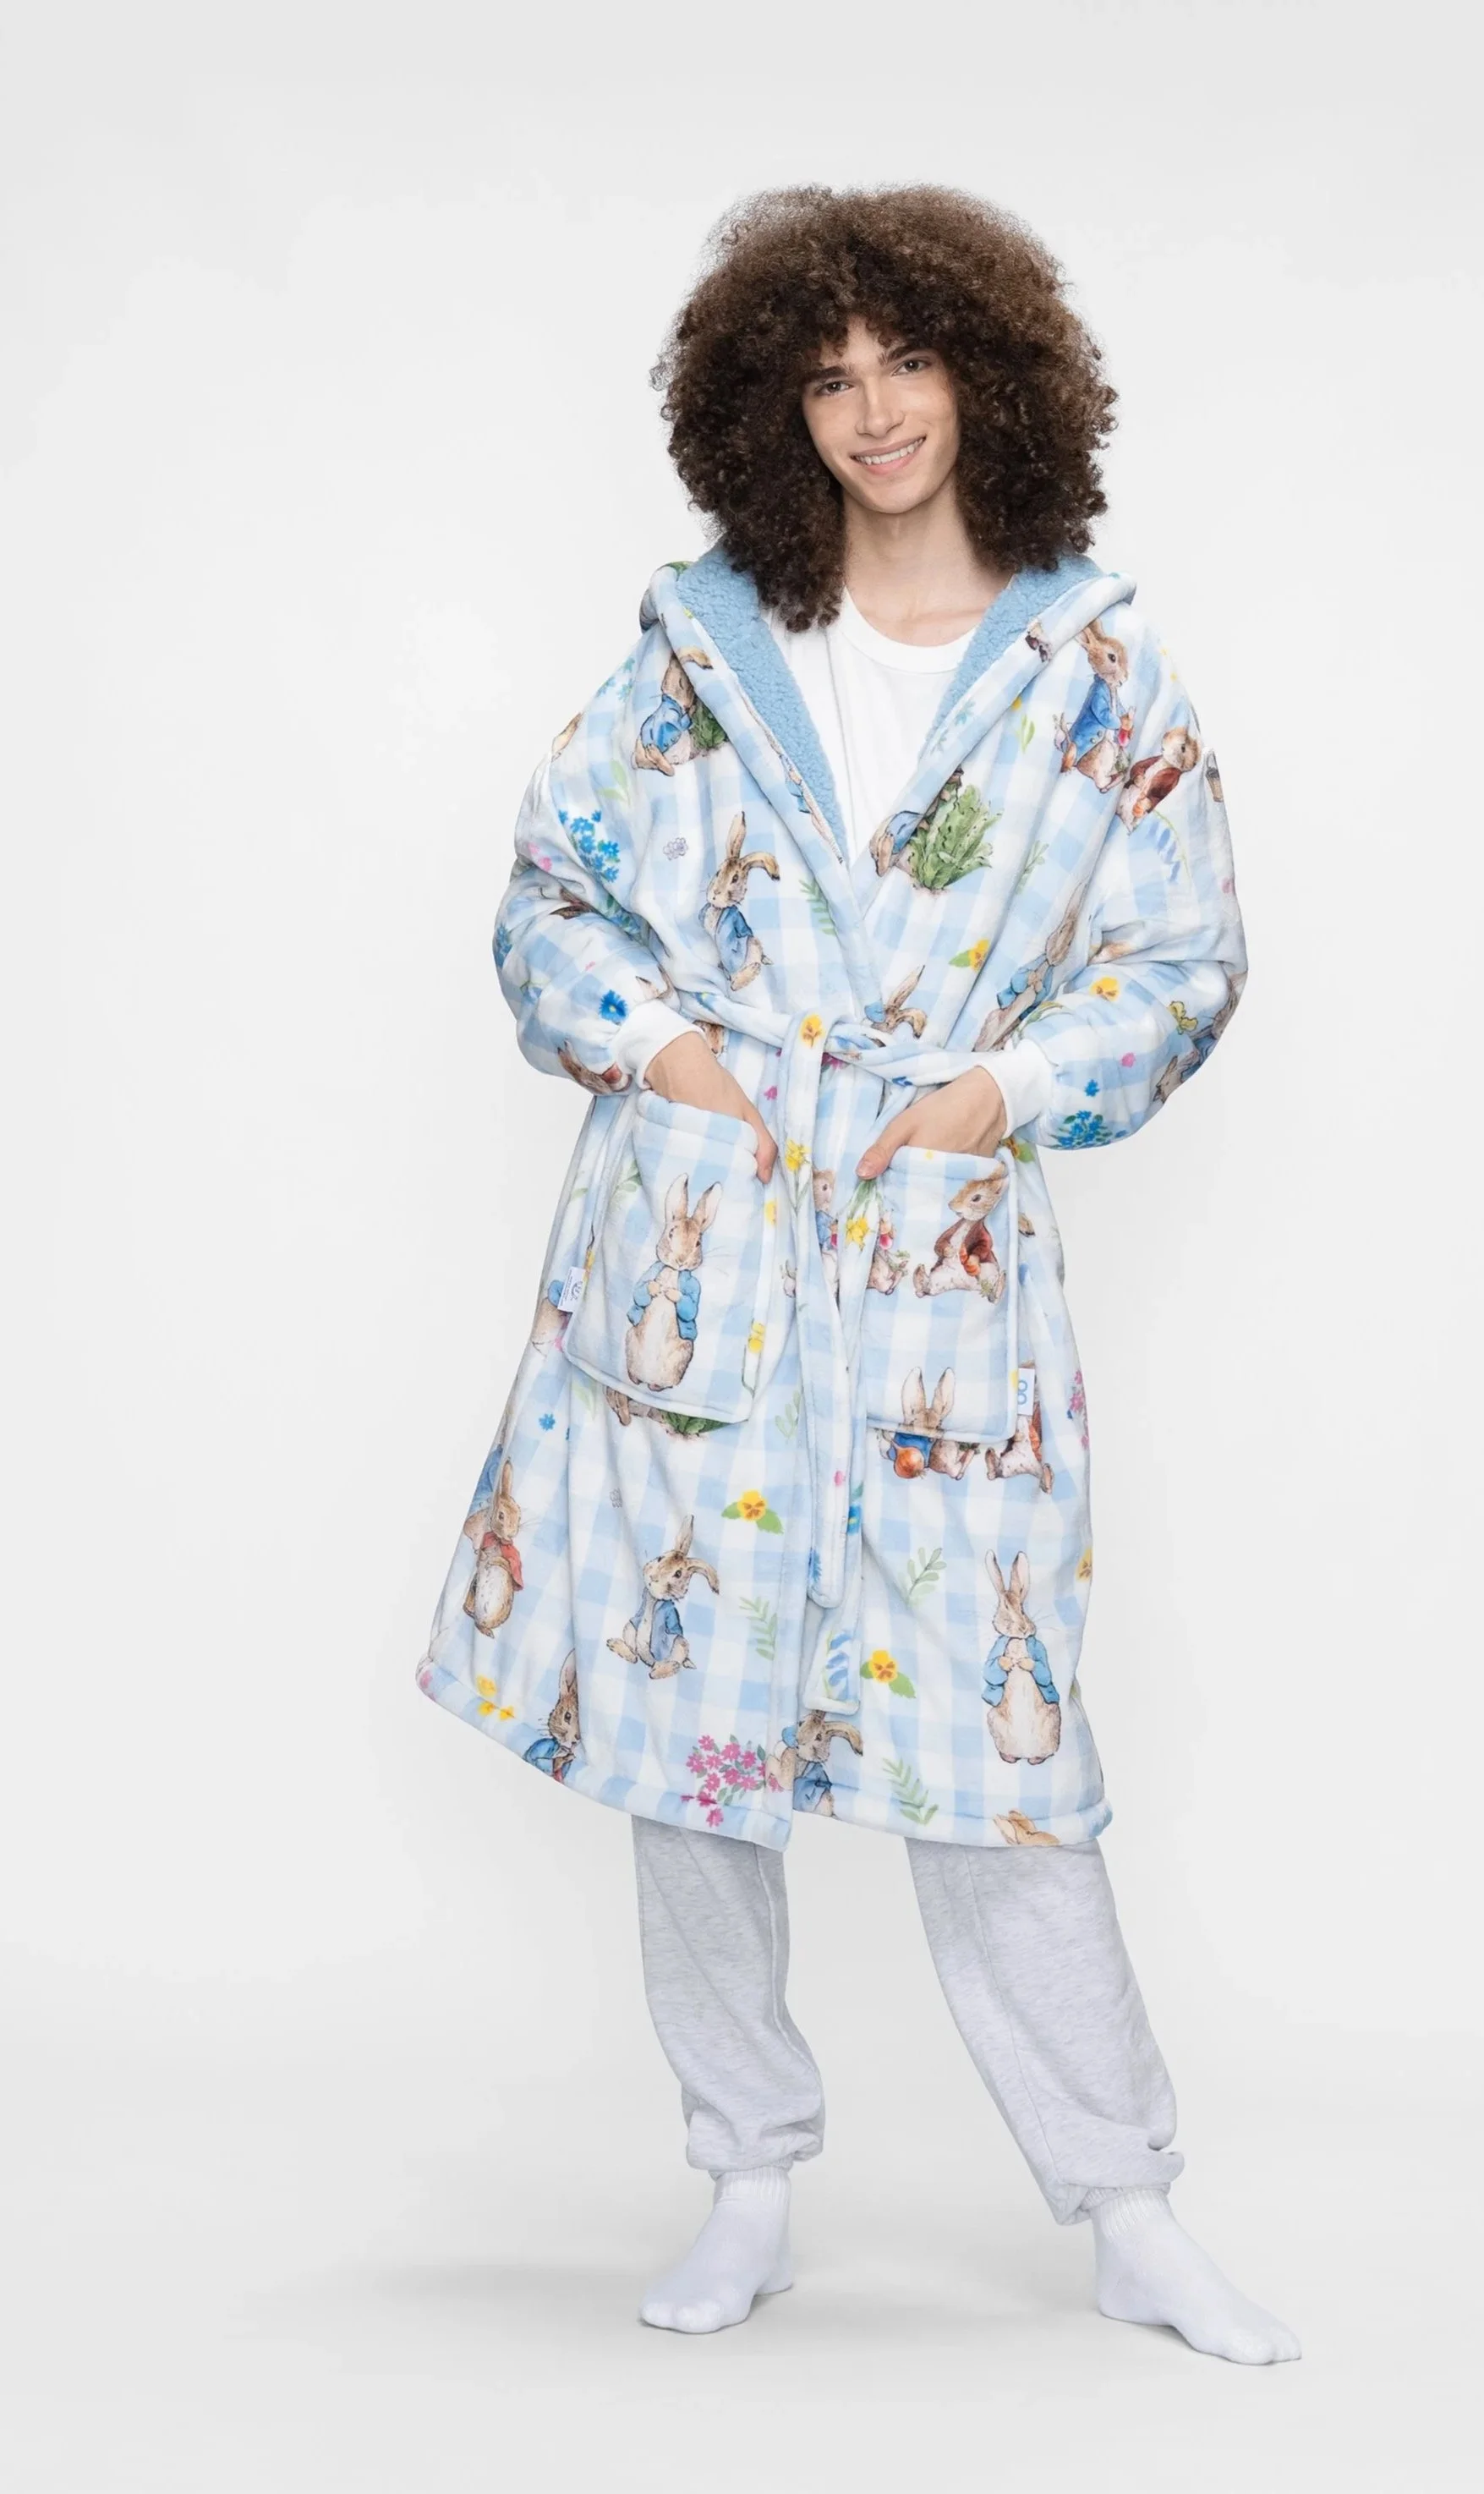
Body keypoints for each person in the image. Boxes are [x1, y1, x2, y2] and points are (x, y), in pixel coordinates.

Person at [418, 184, 1299, 2367]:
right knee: (688, 1748)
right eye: (826, 375)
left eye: (909, 359)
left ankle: (1125, 2202)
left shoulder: (1097, 676)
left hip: (932, 1278)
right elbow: (550, 899)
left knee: (997, 1753)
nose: (875, 409)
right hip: (702, 1260)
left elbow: (1184, 960)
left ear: (991, 373)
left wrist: (1000, 1093)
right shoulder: (704, 655)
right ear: (770, 410)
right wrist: (677, 1062)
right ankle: (745, 2174)